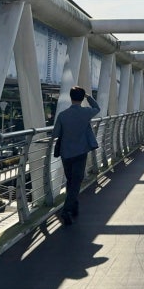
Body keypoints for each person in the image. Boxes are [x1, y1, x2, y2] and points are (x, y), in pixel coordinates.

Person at [52, 86, 100, 225]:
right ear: (81, 97)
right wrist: (88, 97)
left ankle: (73, 205)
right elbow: (97, 108)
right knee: (76, 181)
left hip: (66, 153)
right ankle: (67, 210)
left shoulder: (63, 115)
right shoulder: (86, 112)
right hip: (81, 151)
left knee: (71, 180)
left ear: (70, 97)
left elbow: (55, 134)